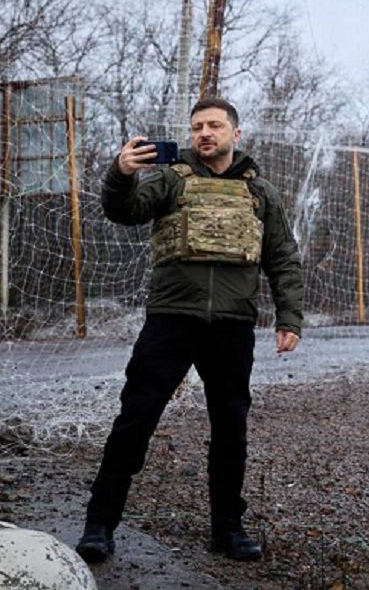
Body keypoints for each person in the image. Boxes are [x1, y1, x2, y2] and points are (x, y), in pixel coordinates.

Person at [77, 97, 303, 563]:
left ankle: (228, 530)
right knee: (135, 420)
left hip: (233, 325)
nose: (205, 133)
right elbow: (124, 210)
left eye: (215, 126)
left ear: (234, 134)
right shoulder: (169, 178)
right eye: (198, 126)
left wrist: (289, 319)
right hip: (171, 319)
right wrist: (120, 172)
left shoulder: (261, 193)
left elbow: (282, 257)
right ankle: (99, 524)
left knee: (230, 430)